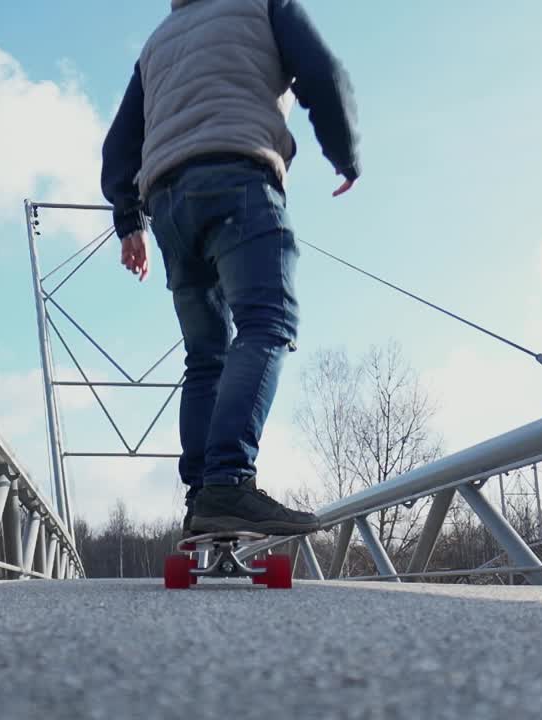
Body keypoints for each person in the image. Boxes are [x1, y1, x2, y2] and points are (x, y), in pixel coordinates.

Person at [100, 0, 360, 537]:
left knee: (205, 356)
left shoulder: (158, 41)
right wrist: (343, 152)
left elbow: (118, 145)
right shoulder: (264, 4)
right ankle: (228, 482)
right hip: (237, 179)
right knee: (267, 324)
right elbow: (322, 72)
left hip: (169, 206)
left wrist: (129, 222)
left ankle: (203, 500)